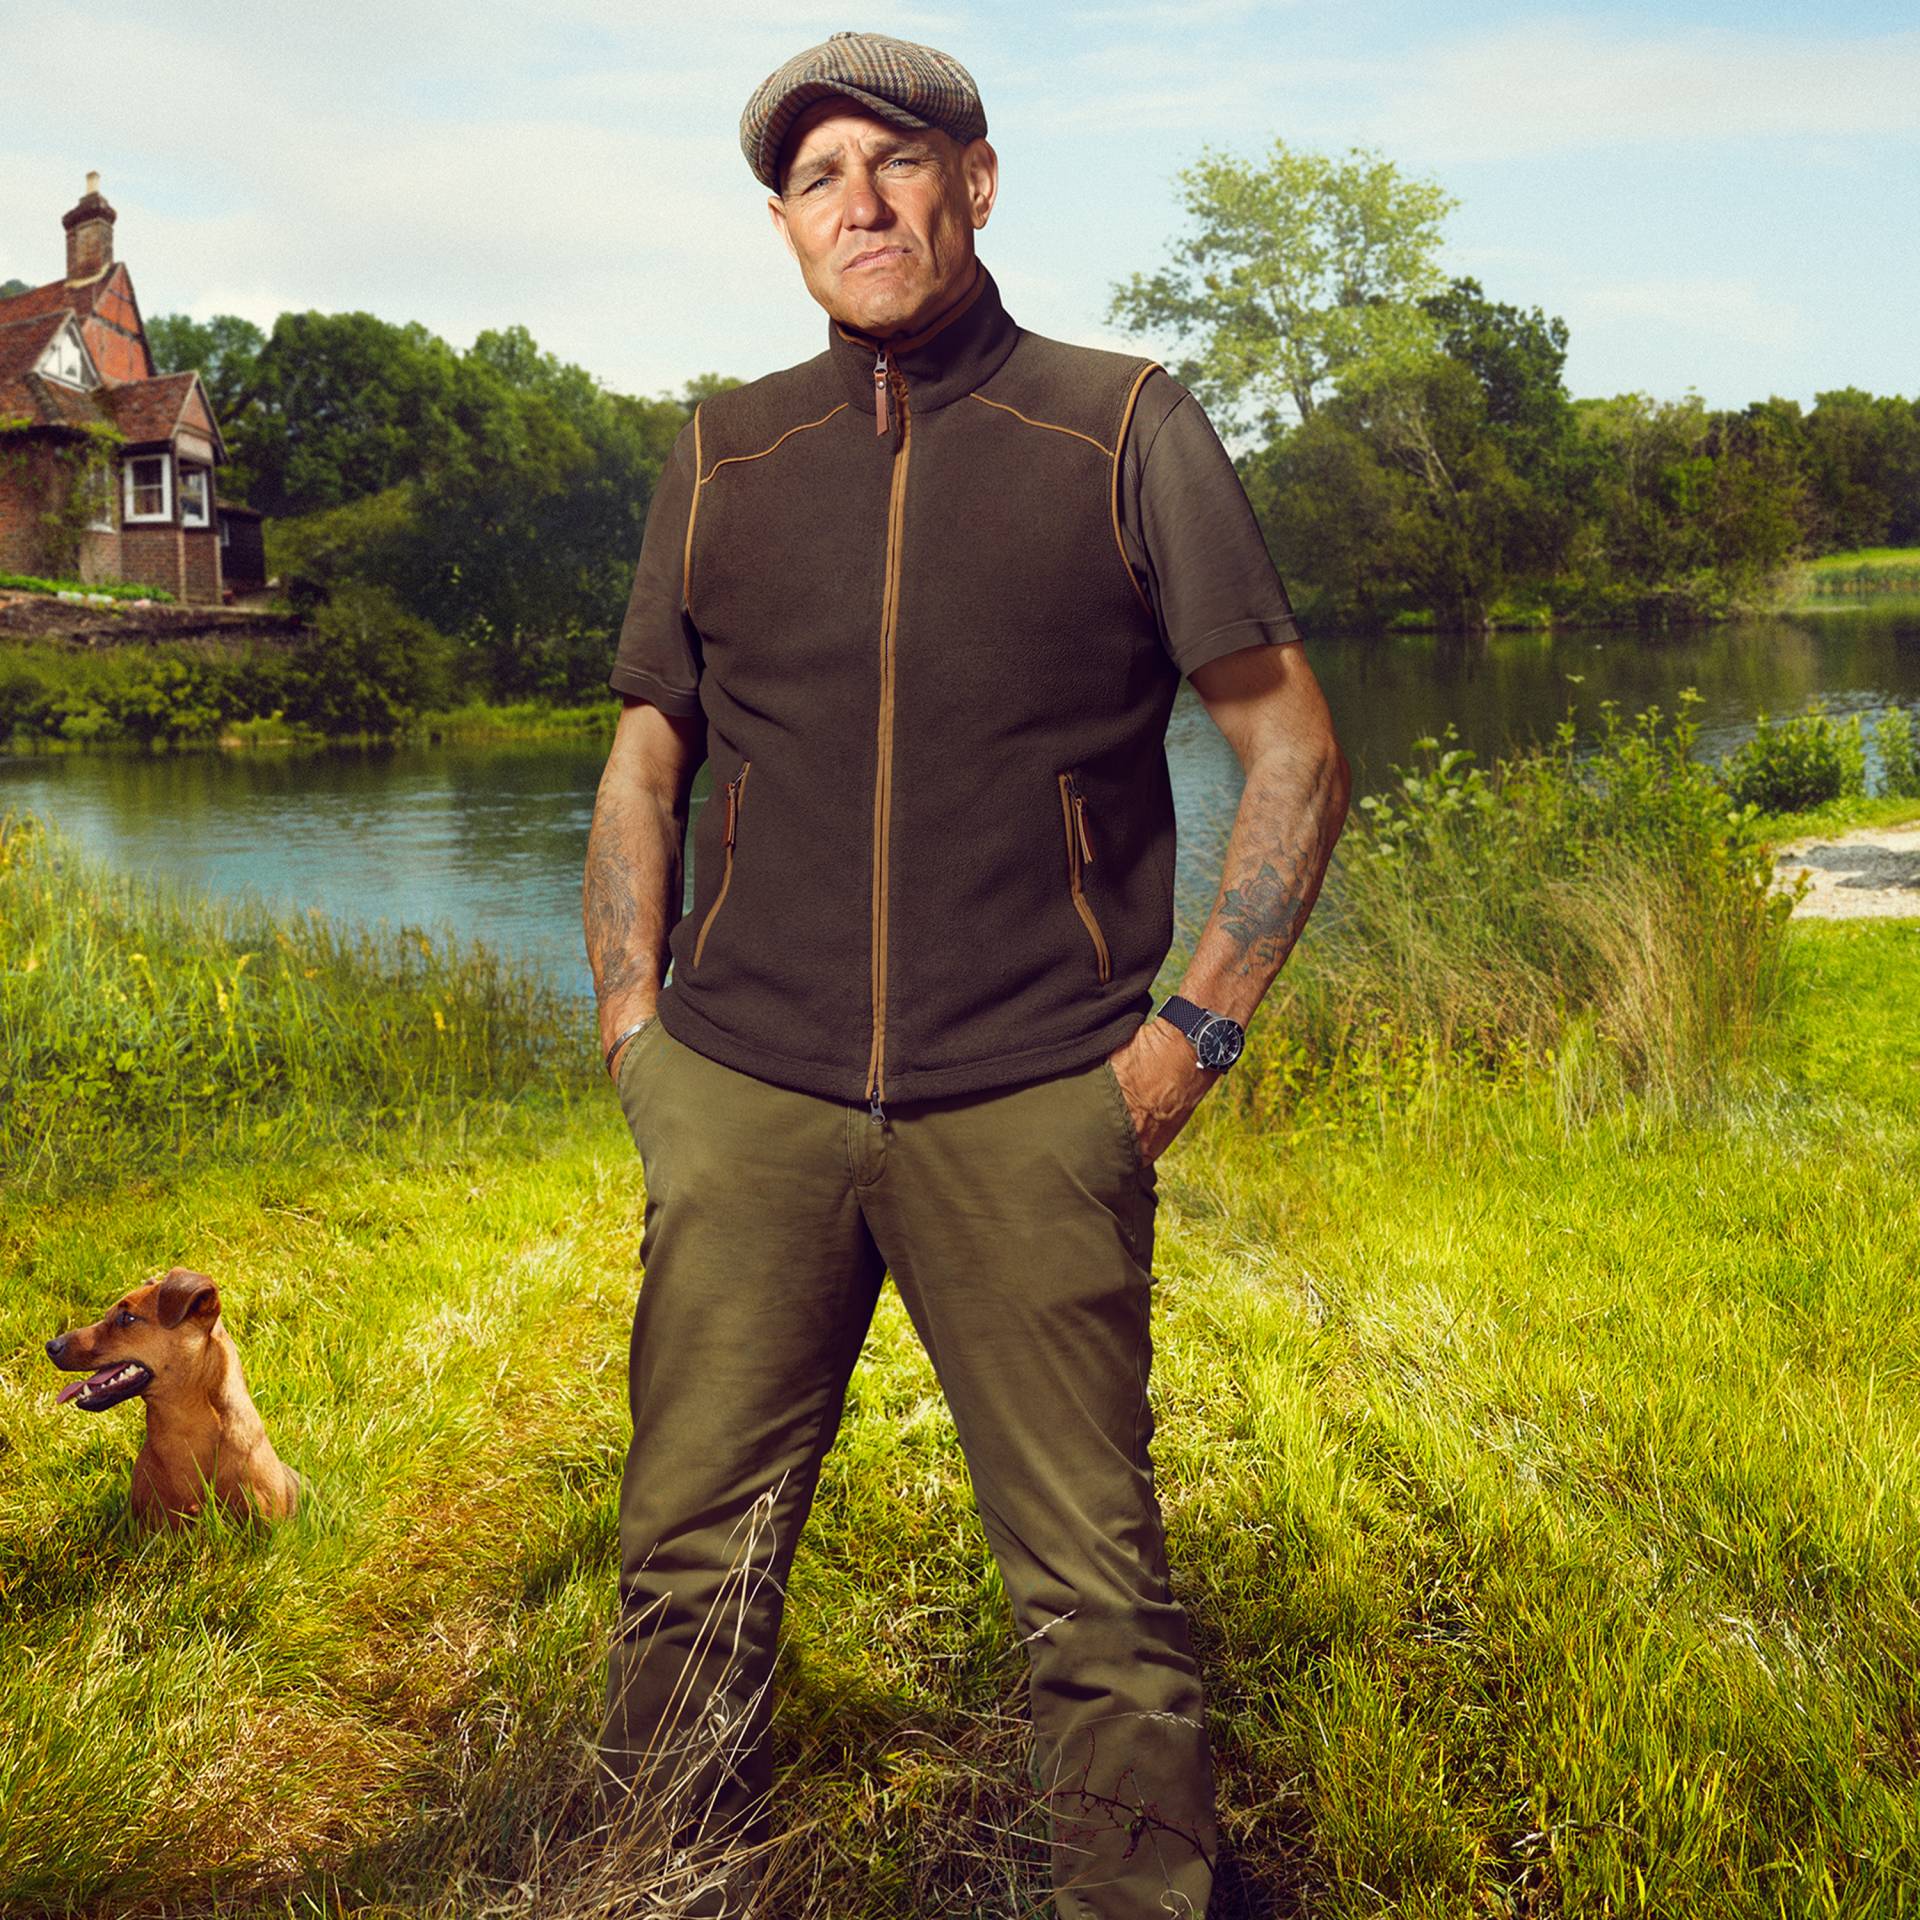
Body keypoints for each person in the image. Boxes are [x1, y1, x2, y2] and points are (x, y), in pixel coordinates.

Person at [581, 28, 1350, 1918]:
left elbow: (1292, 743)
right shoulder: (723, 450)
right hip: (747, 1094)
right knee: (689, 1556)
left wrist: (1190, 1040)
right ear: (783, 225)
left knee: (1093, 1589)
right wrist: (634, 1036)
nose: (861, 200)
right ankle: (659, 1876)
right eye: (817, 178)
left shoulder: (1124, 426)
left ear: (976, 184)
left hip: (1031, 1096)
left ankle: (1137, 1901)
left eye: (896, 162)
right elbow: (647, 751)